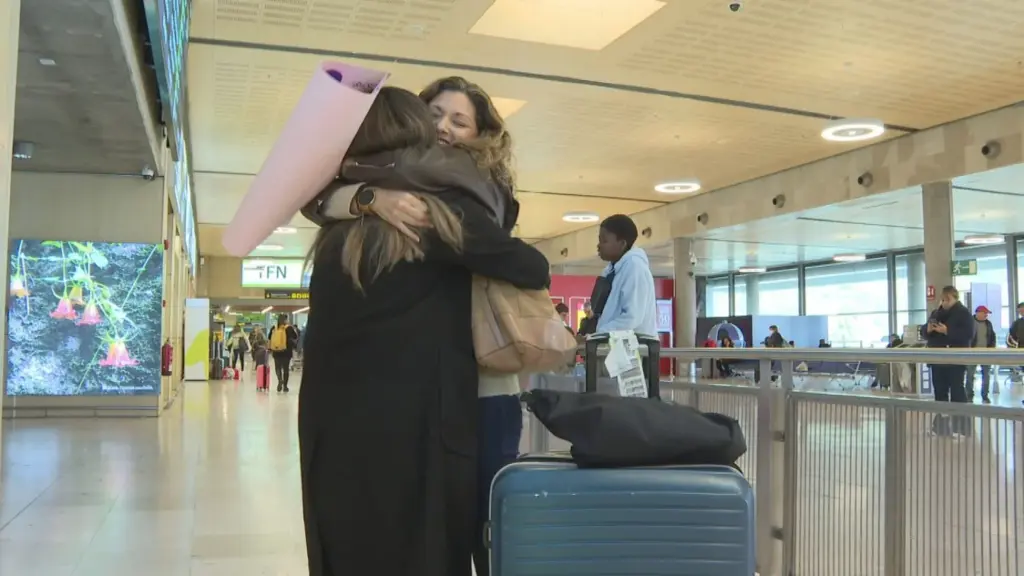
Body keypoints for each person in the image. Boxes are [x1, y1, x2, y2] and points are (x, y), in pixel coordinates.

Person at [299, 86, 550, 576]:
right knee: (426, 540)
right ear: (416, 130)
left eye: (458, 120)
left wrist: (366, 196)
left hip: (332, 418)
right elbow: (531, 267)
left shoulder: (335, 231)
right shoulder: (439, 210)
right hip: (420, 420)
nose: (443, 128)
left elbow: (311, 196)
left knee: (346, 536)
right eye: (434, 116)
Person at [592, 214, 657, 336]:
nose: (599, 245)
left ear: (622, 244)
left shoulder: (635, 268)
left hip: (635, 345)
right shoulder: (610, 271)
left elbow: (632, 317)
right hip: (613, 343)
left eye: (604, 241)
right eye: (599, 240)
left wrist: (599, 334)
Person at [921, 286, 973, 436]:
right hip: (938, 360)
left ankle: (961, 428)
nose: (944, 303)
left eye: (947, 299)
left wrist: (947, 331)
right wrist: (928, 330)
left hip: (955, 360)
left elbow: (968, 334)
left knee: (957, 392)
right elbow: (924, 331)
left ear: (955, 298)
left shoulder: (964, 313)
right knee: (940, 393)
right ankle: (941, 427)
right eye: (943, 299)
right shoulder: (936, 313)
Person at [967, 305, 996, 403]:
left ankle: (985, 396)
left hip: (986, 353)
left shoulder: (988, 324)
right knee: (970, 375)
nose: (986, 315)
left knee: (986, 375)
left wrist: (992, 349)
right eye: (985, 313)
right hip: (972, 353)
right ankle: (969, 395)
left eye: (987, 313)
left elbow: (992, 337)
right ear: (978, 313)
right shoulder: (970, 323)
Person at [268, 314, 299, 392]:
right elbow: (295, 337)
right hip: (286, 352)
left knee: (277, 367)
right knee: (286, 369)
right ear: (285, 320)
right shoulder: (289, 328)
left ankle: (280, 380)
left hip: (276, 351)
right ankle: (285, 386)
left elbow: (269, 338)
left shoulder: (274, 328)